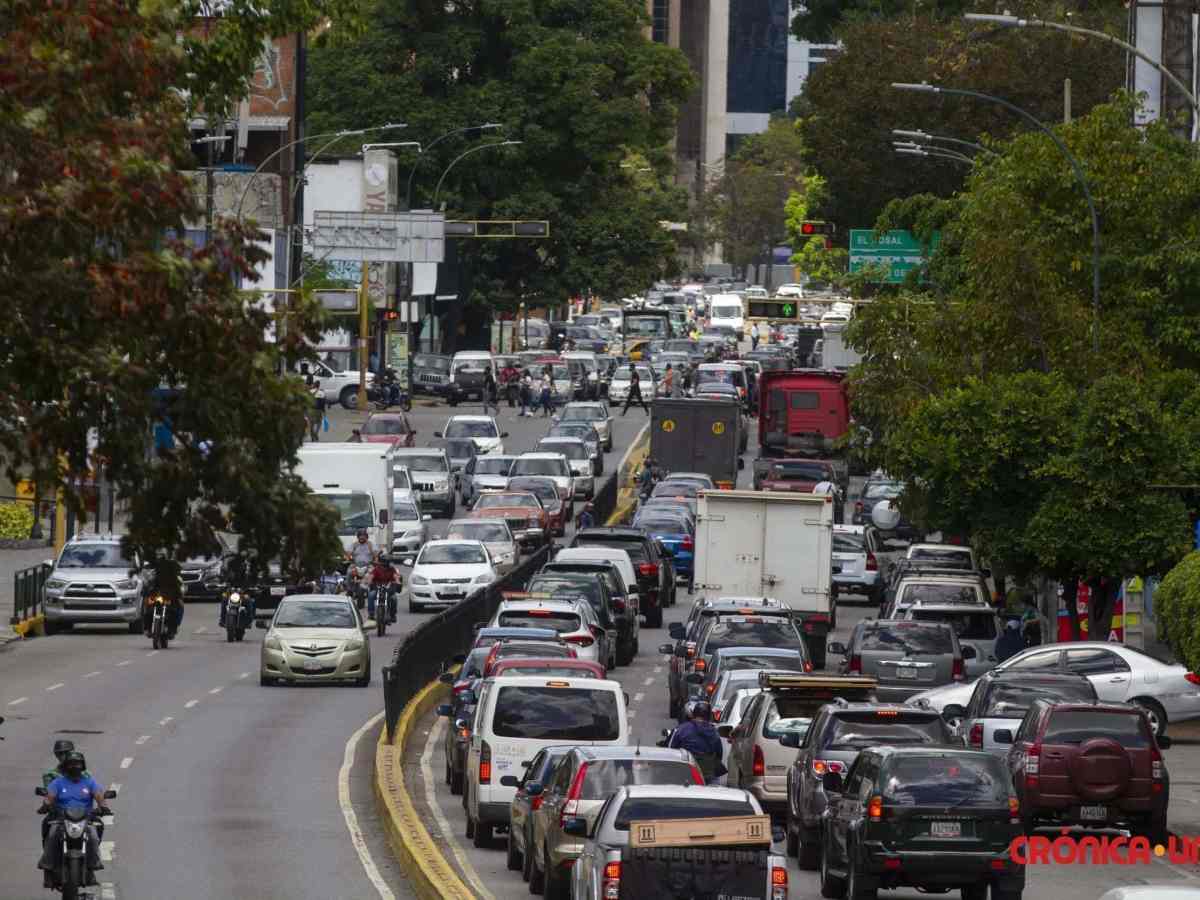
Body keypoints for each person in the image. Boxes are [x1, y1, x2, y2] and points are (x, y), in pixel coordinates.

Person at [39, 751, 110, 888]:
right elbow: (49, 797)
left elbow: (99, 796)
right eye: (71, 764)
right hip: (62, 819)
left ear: (82, 766)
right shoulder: (58, 783)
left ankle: (92, 866)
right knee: (52, 833)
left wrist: (103, 807)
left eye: (77, 764)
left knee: (94, 836)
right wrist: (45, 805)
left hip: (85, 819)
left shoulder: (89, 782)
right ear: (66, 766)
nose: (74, 766)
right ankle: (47, 866)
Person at [668, 701, 725, 783]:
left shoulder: (682, 729)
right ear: (709, 716)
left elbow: (671, 749)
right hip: (708, 773)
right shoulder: (713, 732)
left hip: (685, 772)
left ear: (693, 714)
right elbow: (719, 753)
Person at [143, 561, 184, 638]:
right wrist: (146, 593)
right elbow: (147, 588)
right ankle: (147, 629)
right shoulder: (154, 577)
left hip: (170, 600)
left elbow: (180, 590)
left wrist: (179, 596)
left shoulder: (175, 579)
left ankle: (173, 628)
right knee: (147, 609)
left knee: (178, 608)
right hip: (156, 598)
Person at [367, 555, 398, 623]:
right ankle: (371, 614)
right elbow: (371, 576)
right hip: (377, 589)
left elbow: (395, 576)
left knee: (394, 598)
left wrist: (398, 582)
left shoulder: (392, 569)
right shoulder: (377, 569)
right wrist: (369, 582)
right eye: (390, 562)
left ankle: (392, 615)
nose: (391, 563)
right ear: (386, 562)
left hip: (388, 590)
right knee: (371, 595)